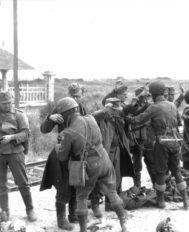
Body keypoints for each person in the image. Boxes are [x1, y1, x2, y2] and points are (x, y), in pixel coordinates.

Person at [54, 97, 127, 232]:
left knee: (81, 196)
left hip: (88, 165)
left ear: (65, 115)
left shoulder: (68, 133)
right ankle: (124, 224)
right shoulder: (91, 118)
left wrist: (58, 147)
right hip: (104, 159)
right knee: (112, 192)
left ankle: (82, 229)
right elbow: (98, 115)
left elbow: (63, 157)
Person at [40, 83, 100, 231]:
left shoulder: (82, 109)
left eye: (78, 96)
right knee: (63, 187)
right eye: (73, 96)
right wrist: (50, 118)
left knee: (76, 184)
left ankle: (73, 215)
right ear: (68, 94)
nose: (75, 98)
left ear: (82, 95)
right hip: (63, 151)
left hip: (77, 153)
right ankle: (61, 220)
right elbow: (44, 129)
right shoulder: (62, 106)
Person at [126, 81, 189, 210]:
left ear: (153, 94)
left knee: (160, 172)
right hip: (175, 141)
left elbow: (138, 120)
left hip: (161, 143)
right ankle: (185, 200)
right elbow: (178, 122)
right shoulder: (172, 105)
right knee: (176, 171)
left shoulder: (154, 107)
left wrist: (127, 118)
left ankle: (161, 201)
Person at [0, 91, 37, 222]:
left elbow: (26, 133)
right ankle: (4, 212)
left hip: (15, 153)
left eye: (9, 103)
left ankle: (30, 209)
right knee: (1, 185)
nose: (7, 105)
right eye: (4, 104)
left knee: (23, 183)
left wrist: (11, 137)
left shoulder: (19, 115)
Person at [93, 98, 134, 210]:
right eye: (114, 110)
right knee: (102, 179)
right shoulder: (100, 118)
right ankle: (95, 204)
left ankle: (111, 204)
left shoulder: (117, 118)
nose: (117, 112)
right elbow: (93, 116)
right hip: (105, 153)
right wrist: (105, 111)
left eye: (117, 110)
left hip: (117, 151)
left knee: (117, 177)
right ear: (108, 109)